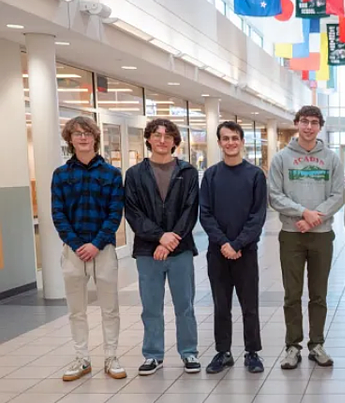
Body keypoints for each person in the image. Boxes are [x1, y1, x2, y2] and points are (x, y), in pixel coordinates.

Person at [268, 105, 344, 370]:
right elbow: (275, 195)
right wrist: (303, 213)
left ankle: (317, 344)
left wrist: (316, 217)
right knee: (292, 294)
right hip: (292, 234)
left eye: (313, 122)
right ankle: (292, 346)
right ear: (297, 123)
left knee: (318, 294)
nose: (308, 127)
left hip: (322, 235)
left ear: (320, 126)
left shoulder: (332, 159)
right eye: (304, 121)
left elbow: (338, 195)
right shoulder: (281, 158)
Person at [51, 116, 126, 381]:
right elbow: (58, 213)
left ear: (95, 137)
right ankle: (82, 359)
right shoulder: (60, 175)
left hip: (103, 250)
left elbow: (115, 213)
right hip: (72, 252)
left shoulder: (111, 174)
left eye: (87, 133)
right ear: (70, 139)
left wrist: (95, 244)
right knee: (76, 310)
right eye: (77, 133)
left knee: (110, 308)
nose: (83, 137)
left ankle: (111, 356)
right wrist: (77, 244)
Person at [124, 118, 201, 376]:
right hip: (148, 251)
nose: (162, 140)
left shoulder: (187, 172)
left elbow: (191, 211)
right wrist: (159, 238)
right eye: (156, 135)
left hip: (181, 250)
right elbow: (133, 213)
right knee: (151, 306)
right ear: (148, 138)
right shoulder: (134, 174)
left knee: (185, 305)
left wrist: (171, 240)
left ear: (175, 141)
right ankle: (153, 355)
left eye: (168, 136)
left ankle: (189, 351)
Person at [200, 121, 268, 374]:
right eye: (225, 138)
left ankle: (252, 352)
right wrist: (224, 243)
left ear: (241, 142)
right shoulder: (211, 175)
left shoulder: (255, 175)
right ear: (219, 143)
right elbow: (205, 214)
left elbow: (258, 215)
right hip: (217, 253)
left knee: (249, 304)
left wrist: (238, 244)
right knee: (221, 304)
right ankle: (223, 352)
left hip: (245, 252)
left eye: (235, 138)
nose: (230, 143)